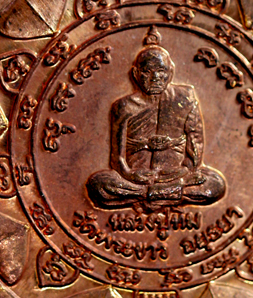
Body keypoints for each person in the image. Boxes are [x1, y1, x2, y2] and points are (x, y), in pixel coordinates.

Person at [86, 39, 226, 210]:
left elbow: (195, 141)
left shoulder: (185, 98)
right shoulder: (124, 106)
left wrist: (185, 171)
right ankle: (162, 195)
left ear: (171, 72)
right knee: (98, 184)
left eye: (161, 71)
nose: (155, 78)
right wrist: (130, 174)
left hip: (177, 177)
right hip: (137, 180)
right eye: (147, 72)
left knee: (215, 185)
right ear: (136, 74)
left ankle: (147, 196)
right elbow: (118, 158)